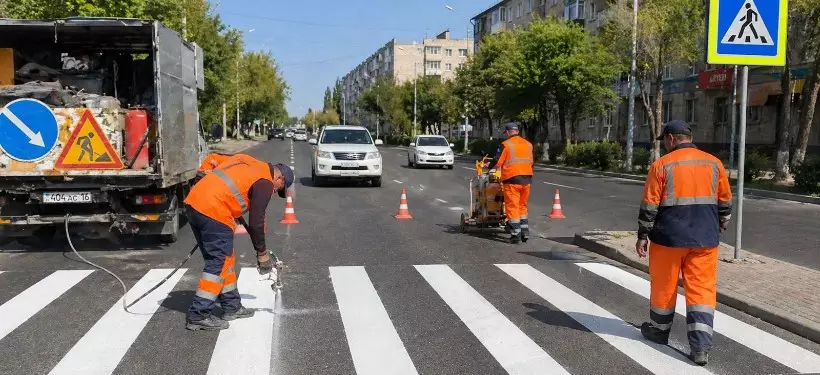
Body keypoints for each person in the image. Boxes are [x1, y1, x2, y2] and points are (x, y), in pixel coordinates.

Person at [636, 120, 732, 366]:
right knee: (701, 291)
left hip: (668, 239)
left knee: (664, 286)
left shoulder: (661, 165)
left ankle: (659, 330)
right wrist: (722, 221)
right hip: (704, 239)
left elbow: (650, 205)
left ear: (670, 139)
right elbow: (725, 201)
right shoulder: (714, 163)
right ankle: (700, 348)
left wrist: (642, 235)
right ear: (688, 136)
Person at [183, 154, 294, 330]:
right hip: (214, 212)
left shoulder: (247, 160)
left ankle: (231, 307)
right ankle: (199, 315)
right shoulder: (265, 182)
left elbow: (212, 158)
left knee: (225, 260)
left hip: (194, 204)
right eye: (279, 188)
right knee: (218, 263)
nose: (275, 192)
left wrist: (200, 180)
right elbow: (257, 221)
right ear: (279, 178)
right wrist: (262, 253)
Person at [485, 122, 534, 244]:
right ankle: (525, 232)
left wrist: (488, 166)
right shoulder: (528, 144)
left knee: (512, 207)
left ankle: (515, 235)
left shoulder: (506, 145)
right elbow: (531, 161)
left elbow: (497, 162)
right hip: (527, 179)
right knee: (522, 206)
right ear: (517, 131)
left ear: (507, 132)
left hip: (512, 180)